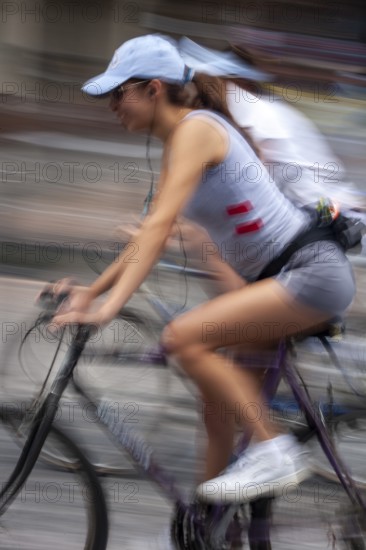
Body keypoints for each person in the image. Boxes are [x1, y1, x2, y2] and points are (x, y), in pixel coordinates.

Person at [51, 34, 356, 504]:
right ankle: (207, 528)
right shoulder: (178, 144)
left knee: (182, 337)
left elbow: (154, 235)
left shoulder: (196, 130)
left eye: (119, 93)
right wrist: (93, 294)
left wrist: (109, 307)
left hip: (309, 274)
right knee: (215, 409)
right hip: (281, 280)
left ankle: (276, 451)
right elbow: (151, 234)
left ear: (154, 89)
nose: (112, 105)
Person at [177, 36, 366, 212]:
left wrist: (337, 214)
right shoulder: (250, 113)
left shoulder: (262, 119)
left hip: (327, 209)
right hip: (318, 206)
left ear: (242, 84)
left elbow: (310, 195)